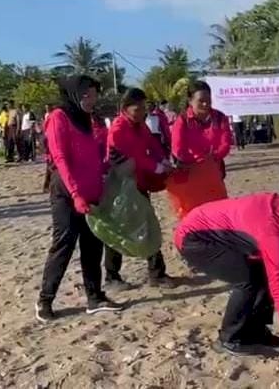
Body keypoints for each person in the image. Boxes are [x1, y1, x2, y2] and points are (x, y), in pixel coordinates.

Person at [174, 192, 279, 374]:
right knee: (246, 280)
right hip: (194, 239)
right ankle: (229, 338)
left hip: (214, 230)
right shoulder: (274, 232)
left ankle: (255, 332)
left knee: (262, 272)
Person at [36, 75, 123, 323]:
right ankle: (45, 299)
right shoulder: (58, 117)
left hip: (92, 190)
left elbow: (92, 156)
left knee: (92, 243)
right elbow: (61, 158)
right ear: (75, 94)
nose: (91, 99)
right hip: (66, 192)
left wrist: (109, 166)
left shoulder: (87, 119)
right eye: (87, 94)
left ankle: (94, 297)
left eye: (94, 94)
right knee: (64, 243)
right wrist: (75, 194)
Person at [104, 88, 175, 289]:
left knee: (148, 225)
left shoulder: (139, 125)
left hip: (138, 184)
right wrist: (157, 166)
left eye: (144, 108)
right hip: (120, 188)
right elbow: (137, 157)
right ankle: (111, 277)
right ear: (125, 109)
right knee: (118, 230)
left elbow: (151, 144)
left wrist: (162, 158)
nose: (143, 111)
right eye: (138, 108)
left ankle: (157, 273)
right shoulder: (118, 129)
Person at [171, 81, 232, 179]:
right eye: (201, 101)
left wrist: (214, 157)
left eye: (208, 100)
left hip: (214, 168)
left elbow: (226, 143)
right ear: (190, 101)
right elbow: (177, 148)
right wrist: (197, 160)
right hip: (190, 170)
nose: (205, 104)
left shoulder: (220, 118)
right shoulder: (182, 120)